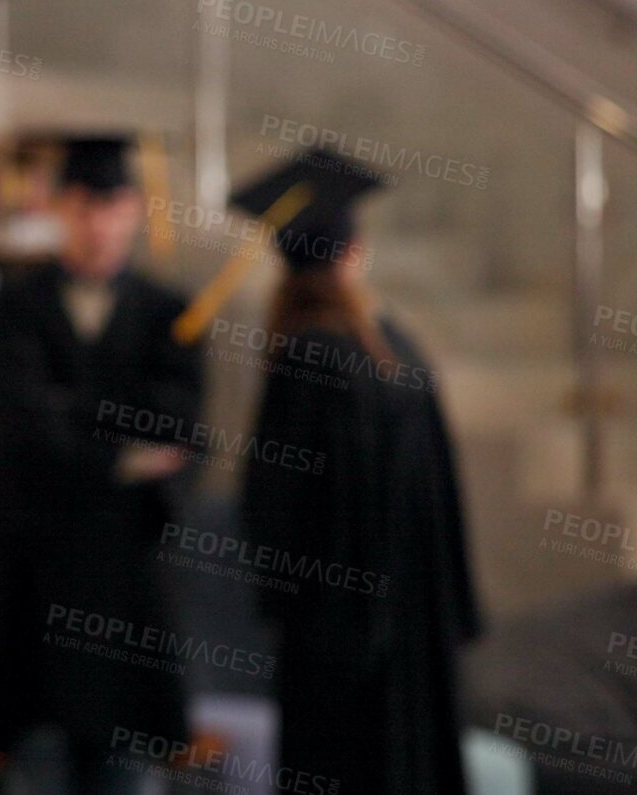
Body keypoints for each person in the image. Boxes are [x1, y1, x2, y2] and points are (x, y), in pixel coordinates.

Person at [0, 137, 204, 794]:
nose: (96, 222)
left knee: (122, 761)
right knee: (29, 757)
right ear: (60, 207)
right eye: (83, 205)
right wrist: (120, 449)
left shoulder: (170, 314)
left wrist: (66, 418)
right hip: (34, 569)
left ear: (132, 212)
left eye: (111, 206)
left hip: (127, 577)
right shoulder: (12, 308)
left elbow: (176, 431)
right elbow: (9, 432)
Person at [232, 148, 480, 795]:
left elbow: (272, 508)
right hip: (411, 624)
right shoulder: (393, 345)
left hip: (335, 637)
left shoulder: (301, 353)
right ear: (354, 250)